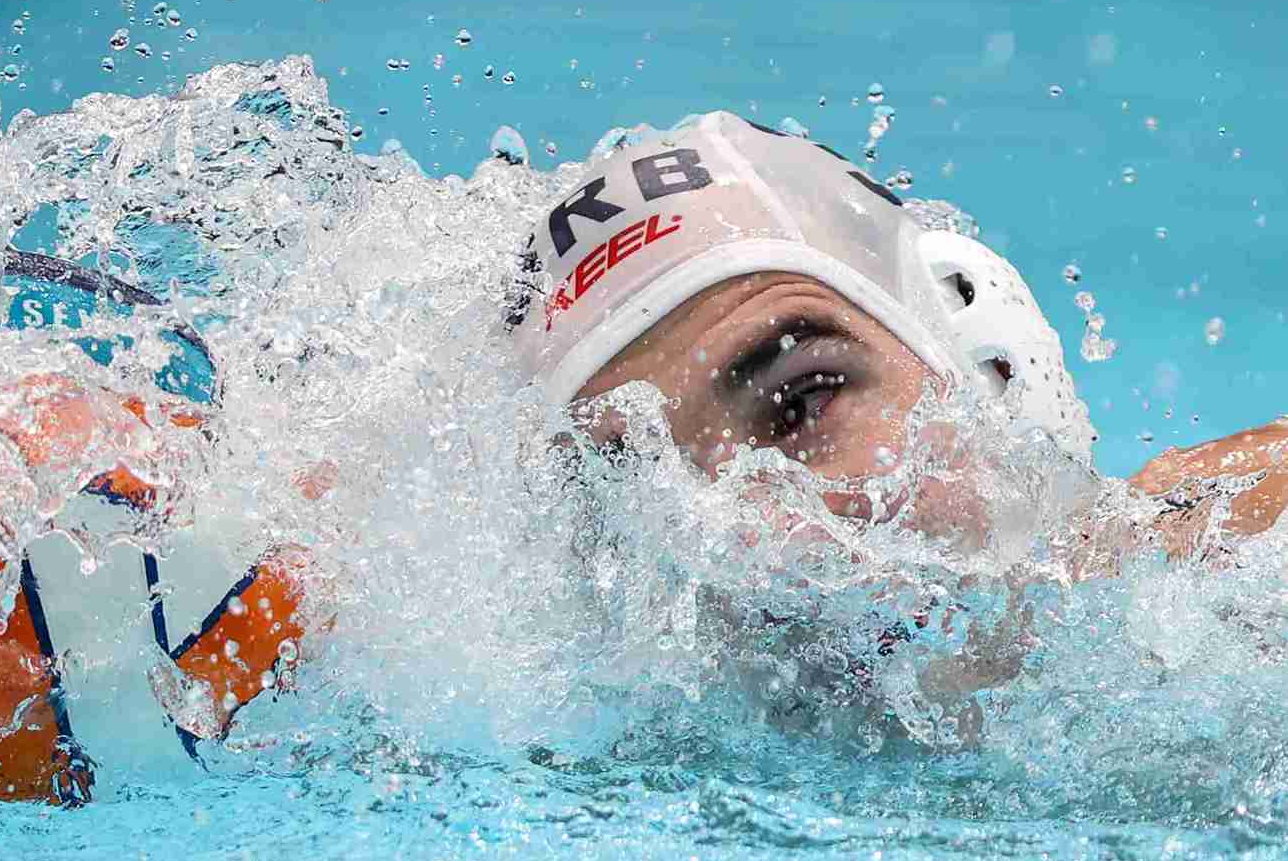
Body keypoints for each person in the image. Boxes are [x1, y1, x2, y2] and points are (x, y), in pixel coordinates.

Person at [501, 111, 1288, 737]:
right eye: (638, 479)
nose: (758, 539)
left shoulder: (1243, 583)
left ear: (991, 367)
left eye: (803, 403)